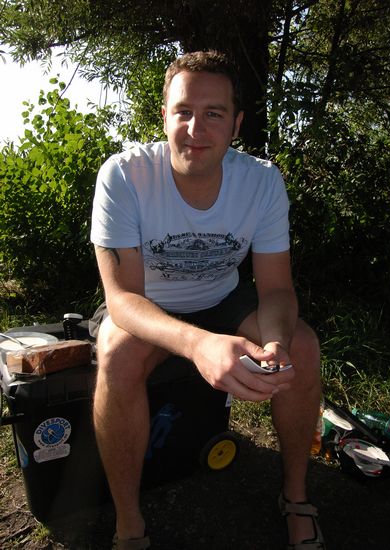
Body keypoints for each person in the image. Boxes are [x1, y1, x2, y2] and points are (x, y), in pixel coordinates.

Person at [90, 50, 325, 550]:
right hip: (149, 305)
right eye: (184, 111)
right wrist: (199, 344)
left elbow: (276, 289)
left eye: (214, 113)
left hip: (223, 299)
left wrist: (277, 342)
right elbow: (123, 299)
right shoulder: (124, 176)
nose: (195, 129)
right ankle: (128, 524)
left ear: (236, 124)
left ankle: (296, 496)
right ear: (164, 116)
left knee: (302, 348)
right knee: (116, 353)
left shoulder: (262, 181)